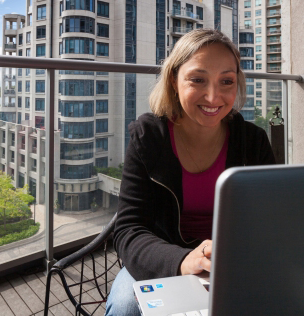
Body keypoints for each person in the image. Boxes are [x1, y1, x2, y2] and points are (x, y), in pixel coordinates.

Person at [105, 28, 276, 315]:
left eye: (226, 81)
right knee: (125, 308)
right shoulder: (149, 136)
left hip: (236, 262)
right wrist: (184, 261)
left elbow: (272, 219)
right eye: (198, 80)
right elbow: (129, 231)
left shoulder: (253, 141)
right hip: (163, 258)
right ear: (174, 80)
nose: (213, 96)